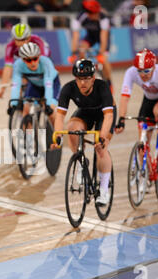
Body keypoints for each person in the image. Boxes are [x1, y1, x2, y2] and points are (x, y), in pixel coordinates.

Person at [52, 59, 116, 205]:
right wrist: (57, 135)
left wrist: (102, 137)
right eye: (79, 79)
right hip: (85, 112)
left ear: (93, 78)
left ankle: (104, 190)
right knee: (72, 129)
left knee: (101, 148)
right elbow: (60, 115)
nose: (82, 83)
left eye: (86, 79)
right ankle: (81, 161)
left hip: (104, 114)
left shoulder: (102, 87)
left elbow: (109, 116)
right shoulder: (68, 88)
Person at [115, 48, 158, 167]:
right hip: (148, 99)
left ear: (154, 67)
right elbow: (125, 98)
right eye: (140, 71)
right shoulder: (130, 72)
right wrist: (121, 119)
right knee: (143, 139)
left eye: (146, 71)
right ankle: (145, 172)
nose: (143, 75)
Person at [9, 42, 60, 124]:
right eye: (28, 60)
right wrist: (13, 104)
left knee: (51, 110)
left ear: (39, 56)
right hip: (35, 85)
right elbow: (16, 85)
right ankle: (29, 136)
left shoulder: (46, 63)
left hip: (52, 84)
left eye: (35, 58)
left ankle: (58, 135)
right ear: (23, 59)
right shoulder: (18, 65)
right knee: (26, 110)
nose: (33, 62)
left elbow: (48, 84)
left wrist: (48, 104)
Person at [68, 0, 113, 92]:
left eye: (97, 13)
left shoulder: (104, 18)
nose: (96, 16)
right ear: (88, 13)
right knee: (81, 49)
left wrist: (101, 53)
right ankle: (84, 76)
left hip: (103, 37)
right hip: (90, 37)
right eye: (93, 14)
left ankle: (109, 82)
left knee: (103, 59)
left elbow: (104, 37)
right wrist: (73, 53)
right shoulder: (79, 18)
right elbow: (75, 37)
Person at [0, 23, 51, 99]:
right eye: (18, 40)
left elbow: (44, 64)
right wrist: (2, 88)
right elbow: (8, 68)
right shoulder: (10, 47)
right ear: (13, 39)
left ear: (29, 37)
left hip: (42, 56)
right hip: (25, 60)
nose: (21, 43)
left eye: (24, 39)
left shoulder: (37, 41)